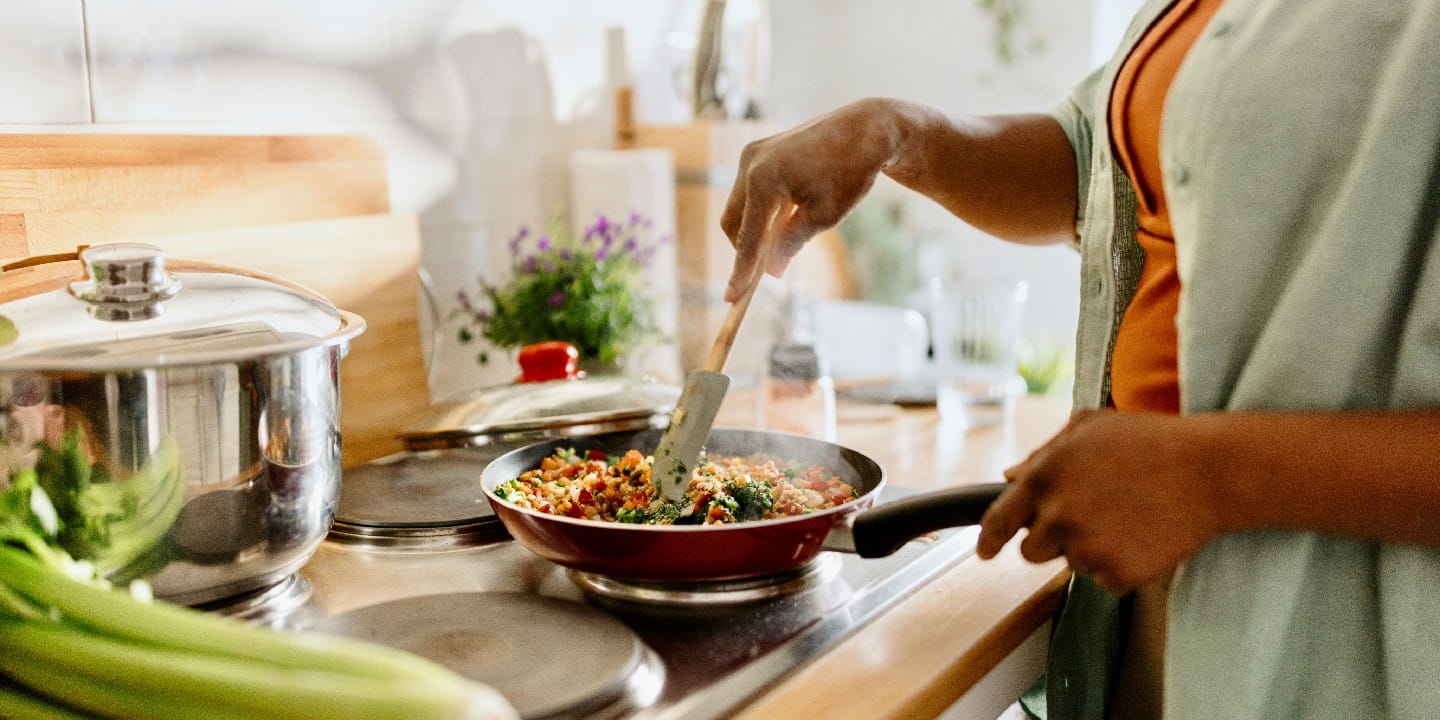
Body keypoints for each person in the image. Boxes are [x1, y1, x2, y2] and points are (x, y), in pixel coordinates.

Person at [717, 1, 1440, 719]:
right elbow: (1099, 162)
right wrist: (894, 133)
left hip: (1345, 640)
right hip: (1151, 603)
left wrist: (1210, 473)